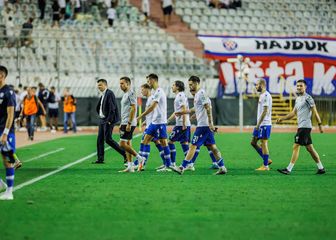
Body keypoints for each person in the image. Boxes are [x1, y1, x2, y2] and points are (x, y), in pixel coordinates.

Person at [173, 76, 227, 175]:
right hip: (204, 126)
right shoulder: (198, 94)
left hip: (204, 126)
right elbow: (196, 108)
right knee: (213, 147)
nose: (189, 87)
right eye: (189, 85)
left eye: (191, 84)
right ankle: (222, 167)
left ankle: (182, 167)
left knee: (193, 145)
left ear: (197, 83)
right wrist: (184, 112)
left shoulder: (201, 93)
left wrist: (211, 123)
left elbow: (208, 107)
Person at [277, 79, 325, 175]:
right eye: (298, 86)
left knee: (296, 146)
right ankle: (321, 168)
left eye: (301, 86)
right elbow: (293, 113)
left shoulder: (308, 98)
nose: (299, 87)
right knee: (310, 148)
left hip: (305, 126)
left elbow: (315, 111)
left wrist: (320, 125)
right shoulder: (298, 99)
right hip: (301, 126)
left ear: (305, 87)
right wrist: (282, 119)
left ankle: (288, 169)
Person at [136, 73, 175, 172]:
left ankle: (168, 164)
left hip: (159, 122)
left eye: (149, 81)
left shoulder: (158, 92)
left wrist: (140, 117)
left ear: (153, 80)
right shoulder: (156, 92)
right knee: (147, 141)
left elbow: (153, 107)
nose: (148, 82)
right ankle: (141, 164)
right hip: (155, 122)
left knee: (162, 143)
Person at [94, 79, 126, 164]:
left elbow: (113, 108)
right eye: (98, 85)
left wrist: (109, 120)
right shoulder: (103, 94)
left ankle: (125, 154)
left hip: (108, 120)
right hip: (102, 119)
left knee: (108, 139)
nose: (99, 87)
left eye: (100, 85)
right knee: (100, 139)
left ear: (105, 85)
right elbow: (100, 107)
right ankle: (100, 159)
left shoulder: (109, 93)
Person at [118, 77, 145, 172]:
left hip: (128, 122)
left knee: (122, 144)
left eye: (122, 83)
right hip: (125, 122)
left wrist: (129, 123)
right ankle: (130, 166)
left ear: (128, 84)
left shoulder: (131, 93)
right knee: (128, 143)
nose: (120, 85)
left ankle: (140, 158)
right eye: (120, 83)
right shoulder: (125, 94)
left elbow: (133, 108)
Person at [136, 83, 166, 171]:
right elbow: (152, 113)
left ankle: (140, 163)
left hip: (153, 125)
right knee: (157, 143)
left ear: (147, 89)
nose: (141, 92)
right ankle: (166, 162)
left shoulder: (152, 98)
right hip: (151, 124)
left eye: (142, 90)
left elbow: (153, 110)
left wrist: (141, 118)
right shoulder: (150, 98)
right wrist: (146, 121)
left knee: (144, 142)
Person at [166, 80, 191, 169]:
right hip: (185, 123)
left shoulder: (180, 96)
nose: (172, 86)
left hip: (181, 124)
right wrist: (168, 120)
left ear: (177, 87)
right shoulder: (181, 95)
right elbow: (177, 112)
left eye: (173, 85)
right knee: (184, 143)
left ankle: (172, 163)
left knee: (170, 142)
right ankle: (190, 164)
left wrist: (183, 124)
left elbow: (184, 109)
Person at [0, 65, 16, 200]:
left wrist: (5, 133)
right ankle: (1, 183)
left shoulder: (8, 92)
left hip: (6, 131)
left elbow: (10, 115)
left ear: (2, 76)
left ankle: (9, 191)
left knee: (7, 160)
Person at [250, 78, 273, 171]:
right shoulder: (262, 95)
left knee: (264, 143)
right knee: (253, 142)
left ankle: (265, 166)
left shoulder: (266, 95)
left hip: (264, 124)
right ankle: (266, 159)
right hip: (260, 124)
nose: (256, 86)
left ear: (262, 85)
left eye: (257, 85)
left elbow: (265, 111)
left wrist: (258, 124)